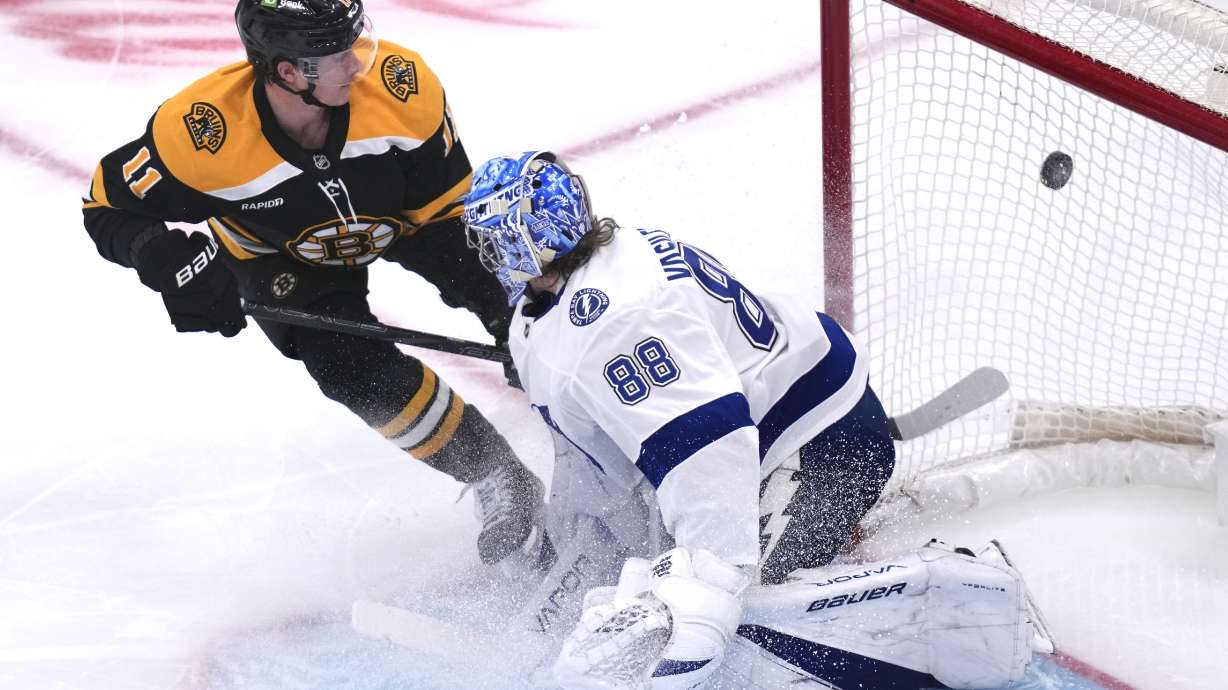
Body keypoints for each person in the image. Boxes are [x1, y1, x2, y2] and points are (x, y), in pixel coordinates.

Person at [461, 152, 1052, 689]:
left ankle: (960, 594)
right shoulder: (566, 297)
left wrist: (705, 590)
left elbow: (706, 449)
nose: (484, 258)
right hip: (772, 430)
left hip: (823, 442)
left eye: (491, 243)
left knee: (743, 617)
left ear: (525, 244)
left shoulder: (616, 322)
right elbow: (598, 463)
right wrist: (579, 557)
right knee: (674, 584)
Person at [79, 0, 541, 565]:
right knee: (346, 364)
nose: (358, 65)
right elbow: (105, 205)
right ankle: (496, 472)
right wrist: (168, 260)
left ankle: (594, 429)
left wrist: (504, 309)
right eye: (337, 55)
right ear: (286, 73)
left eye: (355, 43)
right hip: (281, 255)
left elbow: (452, 217)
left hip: (404, 219)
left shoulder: (402, 88)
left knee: (525, 314)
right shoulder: (201, 133)